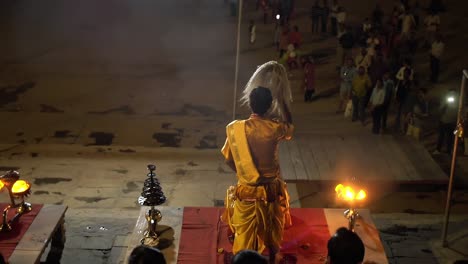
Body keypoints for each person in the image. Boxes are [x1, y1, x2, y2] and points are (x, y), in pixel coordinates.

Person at [222, 62, 293, 263]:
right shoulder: (275, 128)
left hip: (246, 192)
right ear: (270, 105)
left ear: (250, 104)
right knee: (271, 239)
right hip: (270, 192)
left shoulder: (235, 129)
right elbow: (290, 126)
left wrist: (245, 173)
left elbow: (228, 159)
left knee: (244, 239)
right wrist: (283, 100)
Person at [433, 89, 458, 155]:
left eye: (453, 94)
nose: (452, 95)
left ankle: (449, 150)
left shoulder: (457, 102)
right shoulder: (445, 101)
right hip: (443, 121)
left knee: (450, 137)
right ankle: (438, 149)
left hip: (452, 122)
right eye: (450, 94)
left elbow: (459, 111)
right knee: (441, 136)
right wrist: (444, 104)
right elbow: (440, 110)